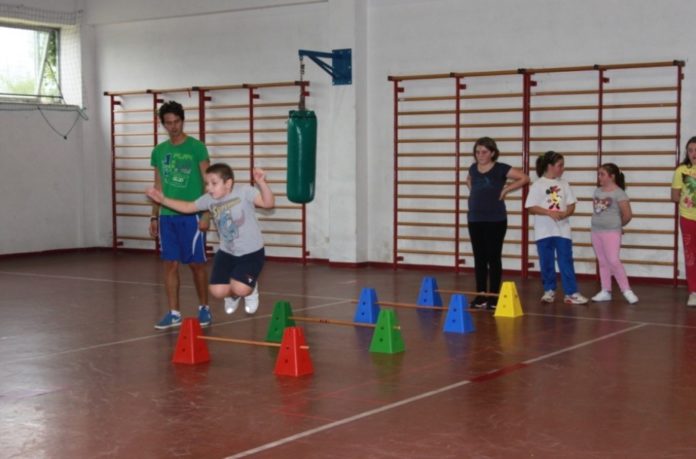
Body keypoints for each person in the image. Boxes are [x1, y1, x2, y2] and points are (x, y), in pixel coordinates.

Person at [147, 163, 274, 315]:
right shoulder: (209, 199)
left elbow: (268, 204)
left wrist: (261, 183)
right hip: (227, 252)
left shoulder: (244, 192)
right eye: (207, 184)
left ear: (228, 183)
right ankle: (233, 296)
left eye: (214, 183)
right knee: (217, 291)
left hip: (251, 252)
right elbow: (188, 207)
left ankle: (250, 291)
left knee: (241, 288)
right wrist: (163, 200)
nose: (209, 188)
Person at [150, 100, 211, 330]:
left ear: (182, 121)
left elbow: (209, 183)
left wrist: (206, 214)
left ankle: (204, 308)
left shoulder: (197, 148)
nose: (173, 126)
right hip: (167, 216)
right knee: (170, 264)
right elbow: (158, 186)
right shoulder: (159, 151)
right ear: (163, 124)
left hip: (192, 215)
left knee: (196, 264)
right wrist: (154, 216)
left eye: (177, 122)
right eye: (168, 123)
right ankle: (174, 313)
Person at [466, 137, 529, 309]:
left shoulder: (501, 168)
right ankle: (481, 296)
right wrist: (473, 191)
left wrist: (506, 189)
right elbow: (469, 179)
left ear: (492, 153)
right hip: (475, 218)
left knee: (493, 257)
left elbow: (524, 178)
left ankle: (494, 297)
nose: (480, 155)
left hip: (496, 219)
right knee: (479, 258)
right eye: (477, 152)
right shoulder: (473, 168)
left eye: (484, 152)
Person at [525, 151, 588, 304]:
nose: (562, 168)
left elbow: (571, 205)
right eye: (560, 165)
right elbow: (530, 207)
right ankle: (549, 290)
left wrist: (566, 213)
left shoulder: (564, 184)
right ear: (550, 166)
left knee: (566, 261)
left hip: (562, 230)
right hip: (543, 231)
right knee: (546, 262)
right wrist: (548, 212)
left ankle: (571, 293)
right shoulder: (538, 185)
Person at [590, 163, 638, 304]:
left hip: (611, 232)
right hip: (596, 231)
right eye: (599, 174)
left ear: (612, 176)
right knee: (603, 261)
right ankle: (606, 290)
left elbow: (627, 215)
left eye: (602, 174)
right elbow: (597, 211)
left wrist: (617, 226)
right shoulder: (597, 191)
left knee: (613, 260)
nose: (599, 177)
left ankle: (626, 290)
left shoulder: (619, 193)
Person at [671, 136, 696, 307]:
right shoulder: (681, 170)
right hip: (688, 218)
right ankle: (693, 291)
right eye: (690, 150)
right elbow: (674, 196)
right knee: (691, 255)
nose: (694, 153)